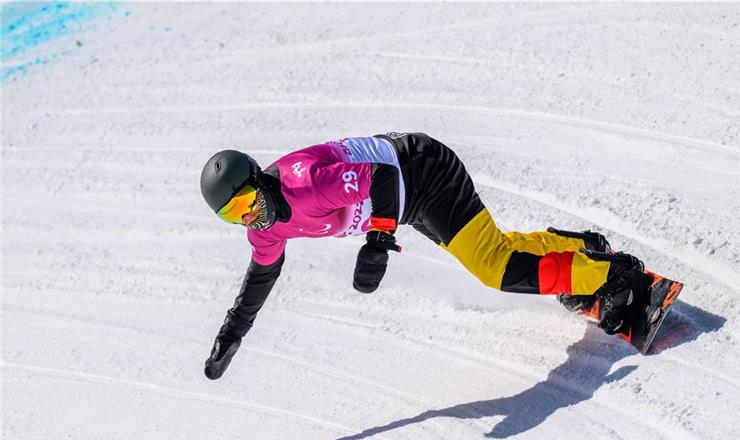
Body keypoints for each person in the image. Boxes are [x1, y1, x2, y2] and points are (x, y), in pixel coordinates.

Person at [200, 132, 650, 380]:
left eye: (246, 202)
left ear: (260, 179)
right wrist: (232, 332)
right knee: (496, 249)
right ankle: (580, 249)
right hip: (409, 198)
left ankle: (613, 276)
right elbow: (260, 278)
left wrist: (378, 241)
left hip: (422, 172)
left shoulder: (307, 181)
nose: (249, 218)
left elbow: (379, 179)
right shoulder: (266, 229)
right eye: (233, 216)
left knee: (494, 267)